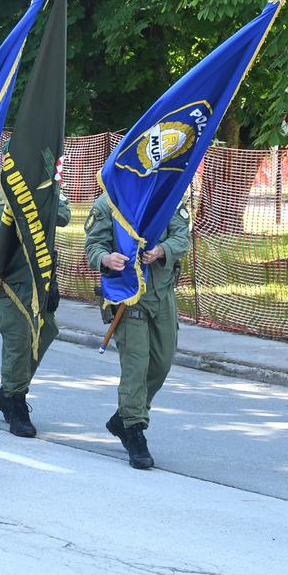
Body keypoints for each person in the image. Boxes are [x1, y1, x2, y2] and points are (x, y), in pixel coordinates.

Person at [83, 192, 190, 469]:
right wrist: (106, 258)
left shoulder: (166, 196)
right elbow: (93, 245)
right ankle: (134, 428)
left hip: (162, 295)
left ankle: (124, 416)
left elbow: (182, 237)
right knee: (136, 365)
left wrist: (162, 250)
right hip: (128, 297)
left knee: (161, 364)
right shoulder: (109, 202)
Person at [0, 181, 71, 437]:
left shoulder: (46, 189)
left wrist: (39, 199)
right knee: (17, 339)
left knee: (46, 333)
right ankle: (16, 401)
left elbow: (64, 216)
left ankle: (8, 392)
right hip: (9, 282)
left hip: (40, 283)